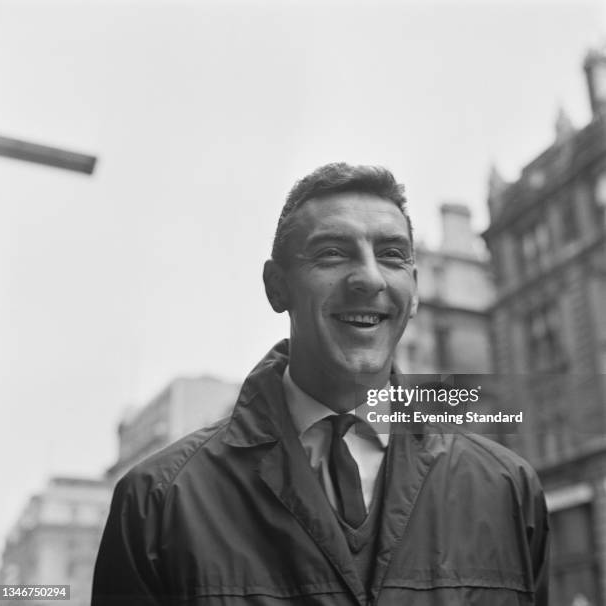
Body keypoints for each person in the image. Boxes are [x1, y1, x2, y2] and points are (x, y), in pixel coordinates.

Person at [92, 163, 549, 606]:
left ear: (413, 292)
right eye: (332, 252)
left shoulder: (508, 490)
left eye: (391, 254)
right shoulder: (156, 503)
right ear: (277, 287)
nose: (369, 277)